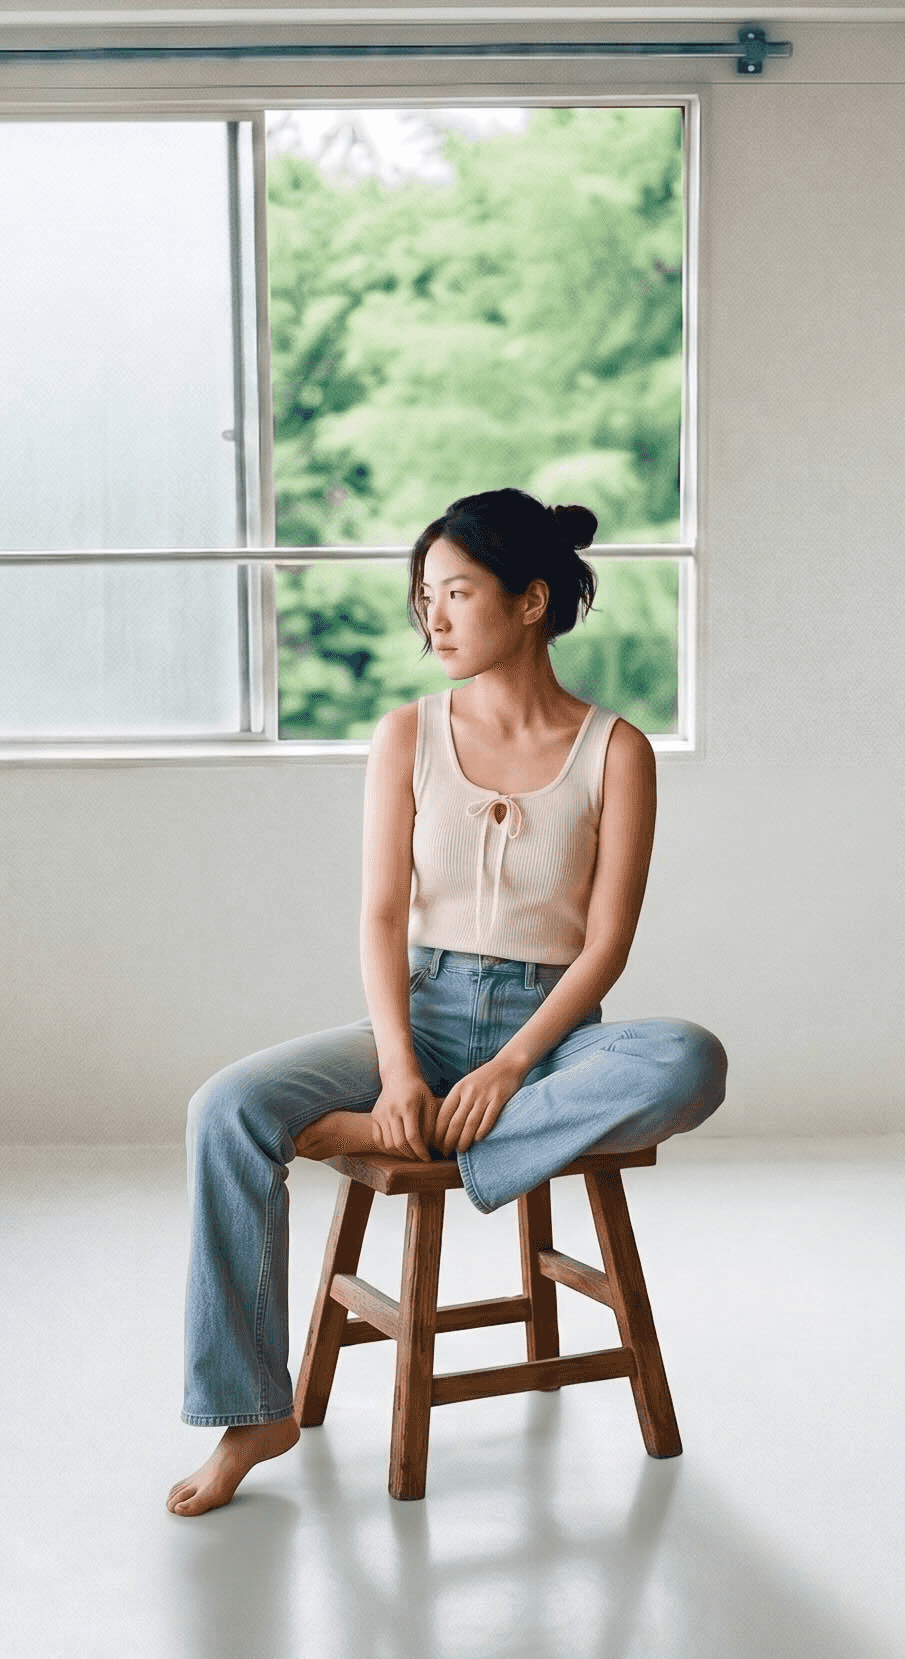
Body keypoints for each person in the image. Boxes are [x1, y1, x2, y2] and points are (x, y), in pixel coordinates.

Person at [167, 487, 728, 1518]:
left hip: (551, 1036)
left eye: (457, 593)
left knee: (690, 1059)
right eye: (424, 595)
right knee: (224, 1110)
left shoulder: (618, 751)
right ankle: (254, 1409)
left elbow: (605, 949)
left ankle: (408, 1143)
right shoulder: (406, 735)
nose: (431, 617)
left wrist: (512, 1065)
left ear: (530, 601)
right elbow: (382, 918)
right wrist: (398, 1071)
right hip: (423, 1013)